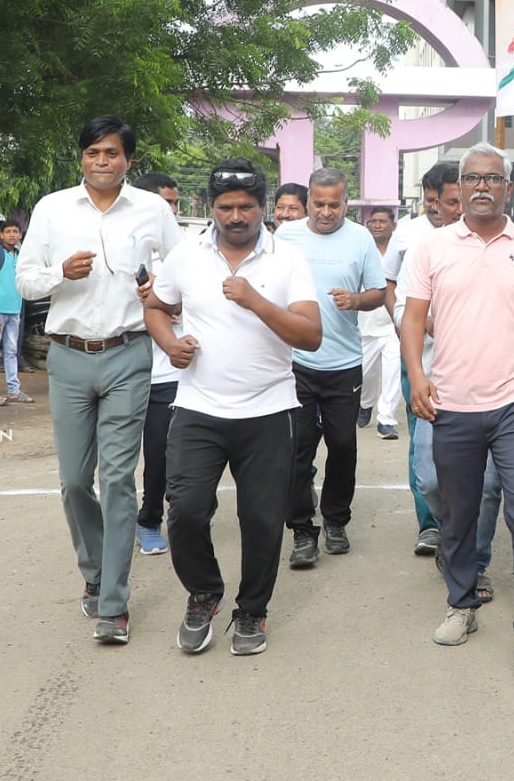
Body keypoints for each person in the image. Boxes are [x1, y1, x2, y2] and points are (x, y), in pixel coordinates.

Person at [400, 143, 514, 674]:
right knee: (456, 512)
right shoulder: (432, 247)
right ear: (461, 186)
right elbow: (413, 319)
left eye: (492, 178)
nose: (482, 186)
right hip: (452, 401)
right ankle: (462, 604)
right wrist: (417, 376)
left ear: (509, 187)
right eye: (472, 178)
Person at [16, 115, 183, 645]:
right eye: (93, 153)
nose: (102, 161)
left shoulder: (153, 210)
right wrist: (59, 273)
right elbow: (24, 281)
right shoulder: (52, 208)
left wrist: (160, 287)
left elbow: (182, 274)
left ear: (128, 159)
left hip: (129, 354)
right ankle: (93, 571)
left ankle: (113, 602)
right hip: (67, 357)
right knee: (73, 482)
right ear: (81, 158)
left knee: (116, 478)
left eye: (112, 153)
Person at [145, 159, 322, 656]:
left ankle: (252, 612)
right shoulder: (186, 256)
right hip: (199, 409)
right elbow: (157, 307)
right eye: (226, 207)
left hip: (270, 411)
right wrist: (170, 343)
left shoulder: (288, 260)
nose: (236, 216)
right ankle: (203, 594)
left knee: (263, 519)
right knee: (185, 511)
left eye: (246, 206)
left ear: (263, 208)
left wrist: (257, 302)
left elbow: (310, 335)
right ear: (212, 208)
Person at [277, 167, 386, 565]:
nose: (326, 212)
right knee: (297, 450)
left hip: (344, 364)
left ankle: (336, 520)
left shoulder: (360, 238)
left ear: (346, 202)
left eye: (334, 204)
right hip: (296, 362)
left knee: (343, 446)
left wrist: (355, 301)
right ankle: (302, 530)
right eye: (318, 203)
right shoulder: (286, 237)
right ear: (307, 201)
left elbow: (378, 292)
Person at [383, 160, 462, 554]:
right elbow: (391, 290)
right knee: (423, 451)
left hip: (472, 366)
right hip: (421, 359)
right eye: (432, 201)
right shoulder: (411, 236)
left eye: (446, 200)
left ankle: (464, 532)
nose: (438, 209)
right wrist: (411, 326)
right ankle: (431, 524)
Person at [132, 172, 182, 557]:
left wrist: (171, 305)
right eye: (165, 203)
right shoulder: (119, 249)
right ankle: (120, 521)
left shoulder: (183, 254)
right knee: (116, 461)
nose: (172, 211)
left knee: (162, 453)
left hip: (165, 374)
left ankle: (149, 519)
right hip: (122, 369)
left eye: (175, 203)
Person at [356, 205, 404, 431]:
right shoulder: (362, 249)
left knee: (393, 371)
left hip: (392, 323)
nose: (376, 225)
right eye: (372, 221)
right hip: (365, 323)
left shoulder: (401, 250)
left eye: (382, 221)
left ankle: (386, 419)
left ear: (393, 225)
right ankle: (365, 404)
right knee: (365, 373)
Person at [0, 219, 31, 405]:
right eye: (7, 231)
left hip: (15, 310)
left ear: (20, 235)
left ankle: (14, 390)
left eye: (15, 231)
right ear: (0, 235)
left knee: (11, 351)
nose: (11, 234)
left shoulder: (20, 255)